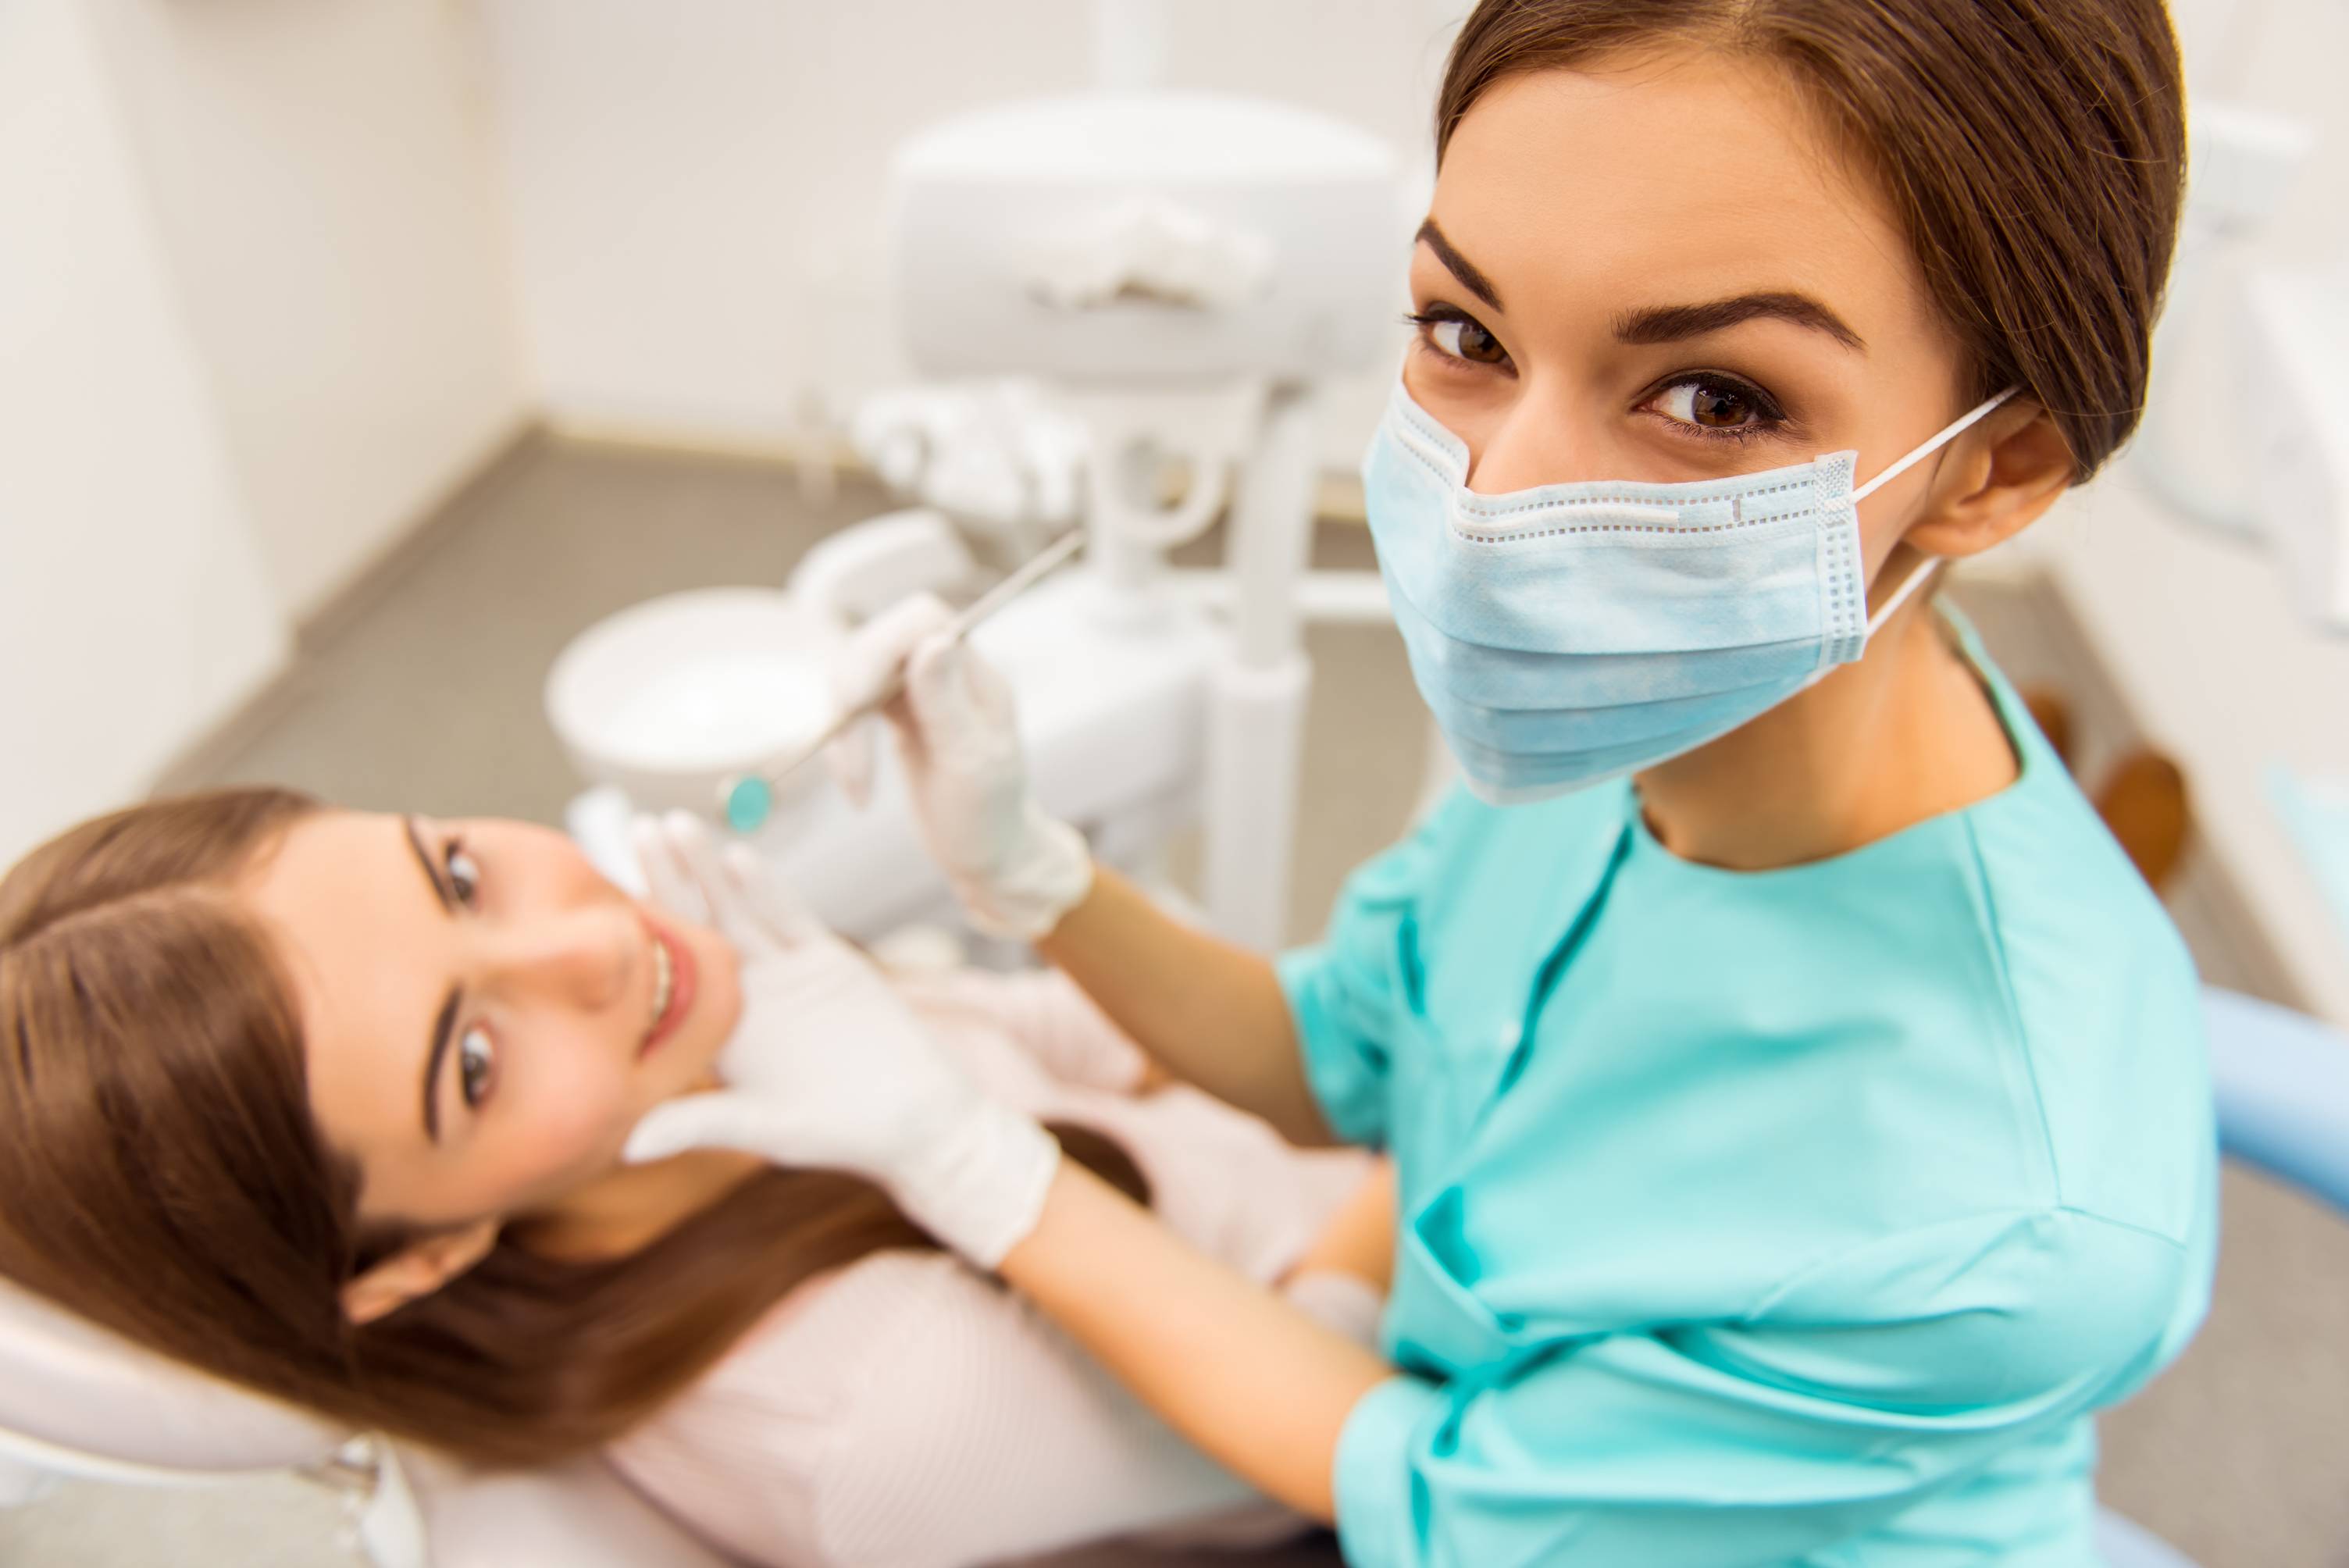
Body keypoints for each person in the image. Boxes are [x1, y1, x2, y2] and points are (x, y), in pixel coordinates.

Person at [624, 2, 2219, 1563]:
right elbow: (1346, 1051)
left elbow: (1443, 1494)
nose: (1493, 512)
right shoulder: (1630, 729)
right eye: (1467, 332)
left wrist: (971, 1162)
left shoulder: (2017, 1231)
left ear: (1990, 467)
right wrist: (1023, 868)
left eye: (1713, 398)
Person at [0, 790, 1388, 1567]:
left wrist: (1033, 874)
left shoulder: (703, 1054)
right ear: (410, 1258)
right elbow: (1330, 1427)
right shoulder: (864, 1419)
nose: (586, 948)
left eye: (462, 874)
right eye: (474, 1063)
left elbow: (1077, 1044)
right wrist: (1462, 1103)